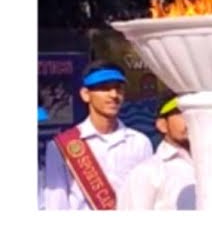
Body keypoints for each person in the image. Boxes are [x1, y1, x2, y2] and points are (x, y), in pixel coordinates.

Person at [43, 62, 153, 210]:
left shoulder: (140, 142)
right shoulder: (61, 146)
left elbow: (146, 197)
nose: (114, 95)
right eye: (104, 88)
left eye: (118, 88)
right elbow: (56, 204)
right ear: (86, 94)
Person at [119, 95, 196, 210]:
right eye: (181, 113)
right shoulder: (147, 172)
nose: (190, 119)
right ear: (162, 125)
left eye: (194, 113)